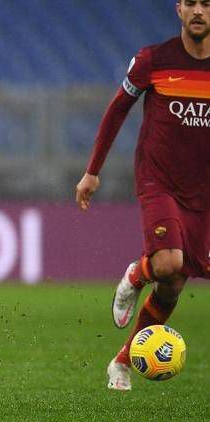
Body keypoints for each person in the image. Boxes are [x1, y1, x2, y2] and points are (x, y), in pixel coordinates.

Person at [75, 0, 209, 391]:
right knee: (167, 263)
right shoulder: (153, 60)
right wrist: (92, 171)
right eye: (191, 3)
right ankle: (137, 274)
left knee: (175, 284)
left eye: (206, 3)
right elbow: (117, 110)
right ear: (178, 10)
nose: (199, 10)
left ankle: (121, 362)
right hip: (159, 181)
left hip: (203, 191)